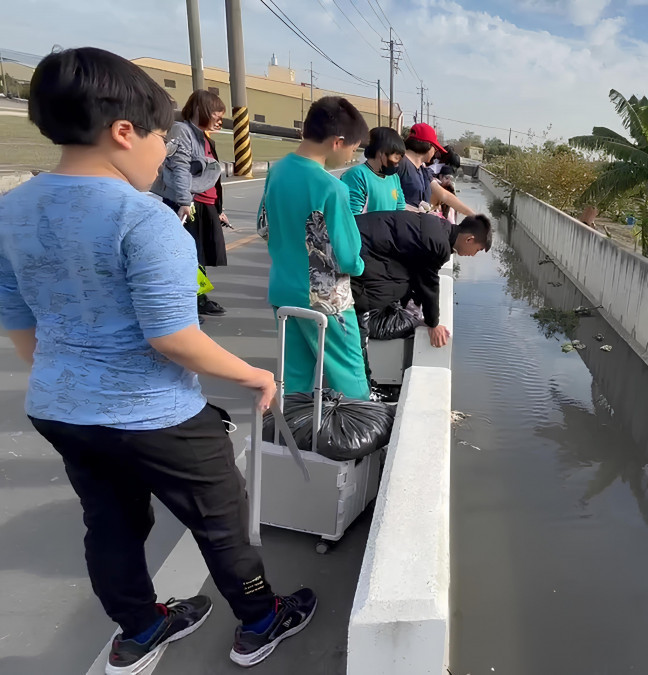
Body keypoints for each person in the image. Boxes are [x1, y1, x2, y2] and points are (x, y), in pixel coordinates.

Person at [0, 47, 316, 674]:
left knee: (111, 523)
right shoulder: (144, 219)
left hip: (61, 407)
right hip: (155, 415)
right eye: (159, 140)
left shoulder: (12, 210)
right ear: (123, 132)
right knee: (221, 518)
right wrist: (255, 374)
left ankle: (141, 628)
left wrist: (68, 380)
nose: (164, 155)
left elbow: (18, 321)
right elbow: (171, 337)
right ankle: (259, 621)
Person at [259, 96, 371, 400]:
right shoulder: (332, 187)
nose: (352, 157)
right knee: (348, 376)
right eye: (353, 148)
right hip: (326, 300)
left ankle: (295, 436)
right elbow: (347, 256)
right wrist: (360, 266)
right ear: (338, 141)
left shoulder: (277, 171)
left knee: (294, 378)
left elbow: (263, 227)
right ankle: (358, 440)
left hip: (283, 291)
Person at [353, 211, 492, 349]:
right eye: (477, 250)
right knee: (392, 290)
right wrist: (433, 324)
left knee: (402, 283)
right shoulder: (439, 244)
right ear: (469, 239)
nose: (473, 255)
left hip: (356, 232)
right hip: (360, 247)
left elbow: (421, 275)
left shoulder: (440, 227)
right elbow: (429, 285)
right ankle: (358, 319)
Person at [150, 89, 232, 319]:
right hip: (187, 203)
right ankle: (188, 302)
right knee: (187, 254)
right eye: (217, 114)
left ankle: (198, 298)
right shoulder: (182, 131)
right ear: (201, 110)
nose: (219, 119)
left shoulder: (203, 136)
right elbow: (180, 167)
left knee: (200, 254)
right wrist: (184, 202)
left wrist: (219, 210)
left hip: (204, 204)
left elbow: (211, 179)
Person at [397, 123, 476, 217]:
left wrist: (471, 214)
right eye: (435, 148)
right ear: (428, 146)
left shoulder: (422, 170)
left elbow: (444, 195)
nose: (435, 151)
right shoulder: (399, 165)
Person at [340, 126, 404, 214]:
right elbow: (353, 217)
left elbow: (401, 209)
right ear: (380, 153)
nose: (397, 164)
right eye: (395, 158)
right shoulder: (356, 175)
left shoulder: (394, 178)